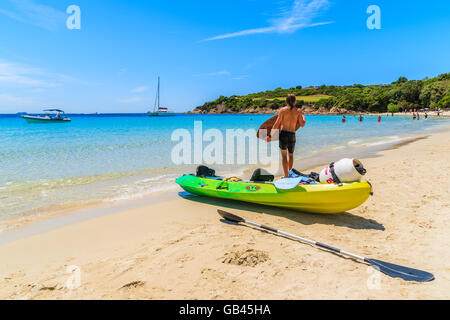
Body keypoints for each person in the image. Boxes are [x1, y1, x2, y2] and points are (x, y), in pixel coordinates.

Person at [267, 94, 306, 178]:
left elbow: (276, 124)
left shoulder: (282, 110)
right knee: (291, 155)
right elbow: (302, 124)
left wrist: (270, 136)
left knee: (284, 156)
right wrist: (304, 119)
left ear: (286, 101)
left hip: (283, 134)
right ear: (295, 101)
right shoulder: (298, 111)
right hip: (292, 134)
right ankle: (290, 173)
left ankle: (286, 176)